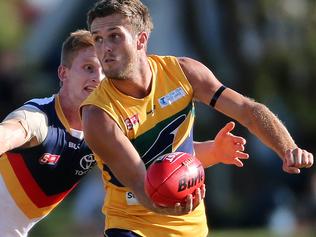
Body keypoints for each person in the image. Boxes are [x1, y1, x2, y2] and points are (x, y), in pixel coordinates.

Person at [81, 0, 314, 236]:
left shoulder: (183, 73)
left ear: (141, 40)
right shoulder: (98, 115)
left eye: (114, 36)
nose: (104, 48)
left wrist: (287, 148)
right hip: (131, 227)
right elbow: (144, 186)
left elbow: (248, 110)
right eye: (97, 38)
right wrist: (173, 202)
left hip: (193, 227)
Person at [0, 29, 104, 237]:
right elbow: (9, 132)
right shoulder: (38, 118)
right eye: (89, 68)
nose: (98, 78)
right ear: (63, 73)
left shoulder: (103, 131)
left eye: (104, 71)